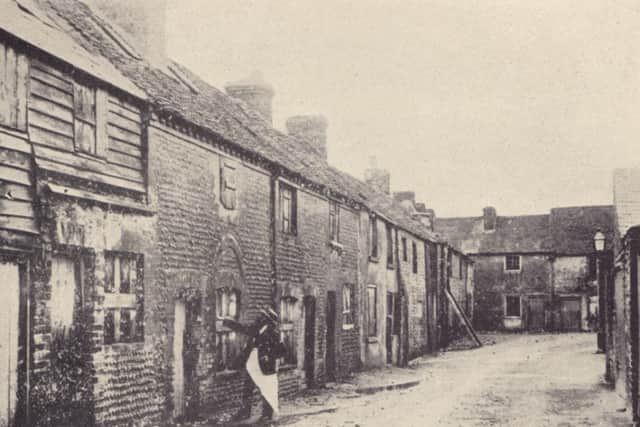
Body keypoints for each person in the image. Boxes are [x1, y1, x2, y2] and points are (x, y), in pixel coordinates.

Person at [223, 306, 286, 422]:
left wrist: (272, 360)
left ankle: (267, 414)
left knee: (266, 388)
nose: (259, 318)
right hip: (253, 363)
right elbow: (244, 329)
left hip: (266, 365)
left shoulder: (273, 333)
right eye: (260, 316)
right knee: (248, 387)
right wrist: (229, 323)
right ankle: (245, 412)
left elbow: (281, 351)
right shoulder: (257, 328)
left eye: (262, 316)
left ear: (267, 320)